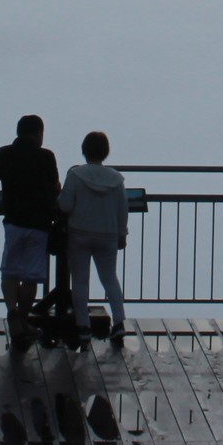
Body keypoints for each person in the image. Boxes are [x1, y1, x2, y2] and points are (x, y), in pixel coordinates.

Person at [0, 114, 59, 350]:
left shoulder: (4, 153)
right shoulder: (46, 156)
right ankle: (22, 321)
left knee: (10, 271)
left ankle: (12, 312)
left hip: (13, 222)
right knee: (31, 277)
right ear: (39, 133)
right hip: (40, 224)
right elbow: (55, 188)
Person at [58, 130, 129, 348]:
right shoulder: (116, 179)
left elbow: (65, 205)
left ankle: (83, 327)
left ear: (84, 150)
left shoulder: (76, 175)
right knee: (110, 278)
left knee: (80, 281)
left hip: (79, 233)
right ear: (106, 152)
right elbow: (122, 210)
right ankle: (119, 323)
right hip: (107, 235)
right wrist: (121, 234)